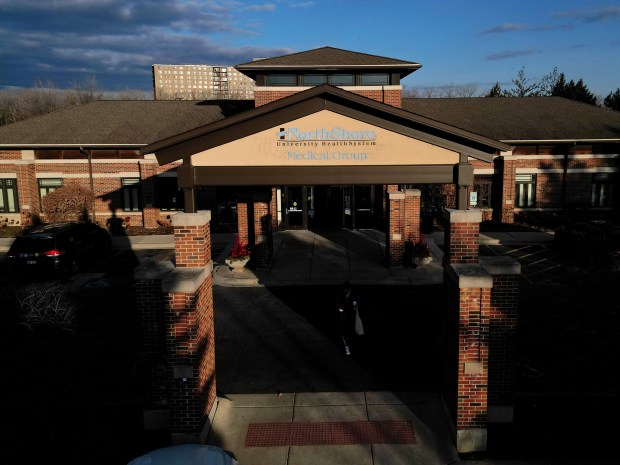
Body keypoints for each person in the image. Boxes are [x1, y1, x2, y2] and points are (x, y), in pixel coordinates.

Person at [336, 280, 361, 355]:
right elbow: (337, 304)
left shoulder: (354, 295)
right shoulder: (341, 295)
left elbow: (358, 301)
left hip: (352, 317)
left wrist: (356, 305)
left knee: (352, 332)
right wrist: (340, 309)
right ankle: (347, 347)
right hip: (344, 317)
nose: (345, 290)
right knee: (344, 333)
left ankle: (352, 346)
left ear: (349, 289)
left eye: (347, 289)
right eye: (344, 289)